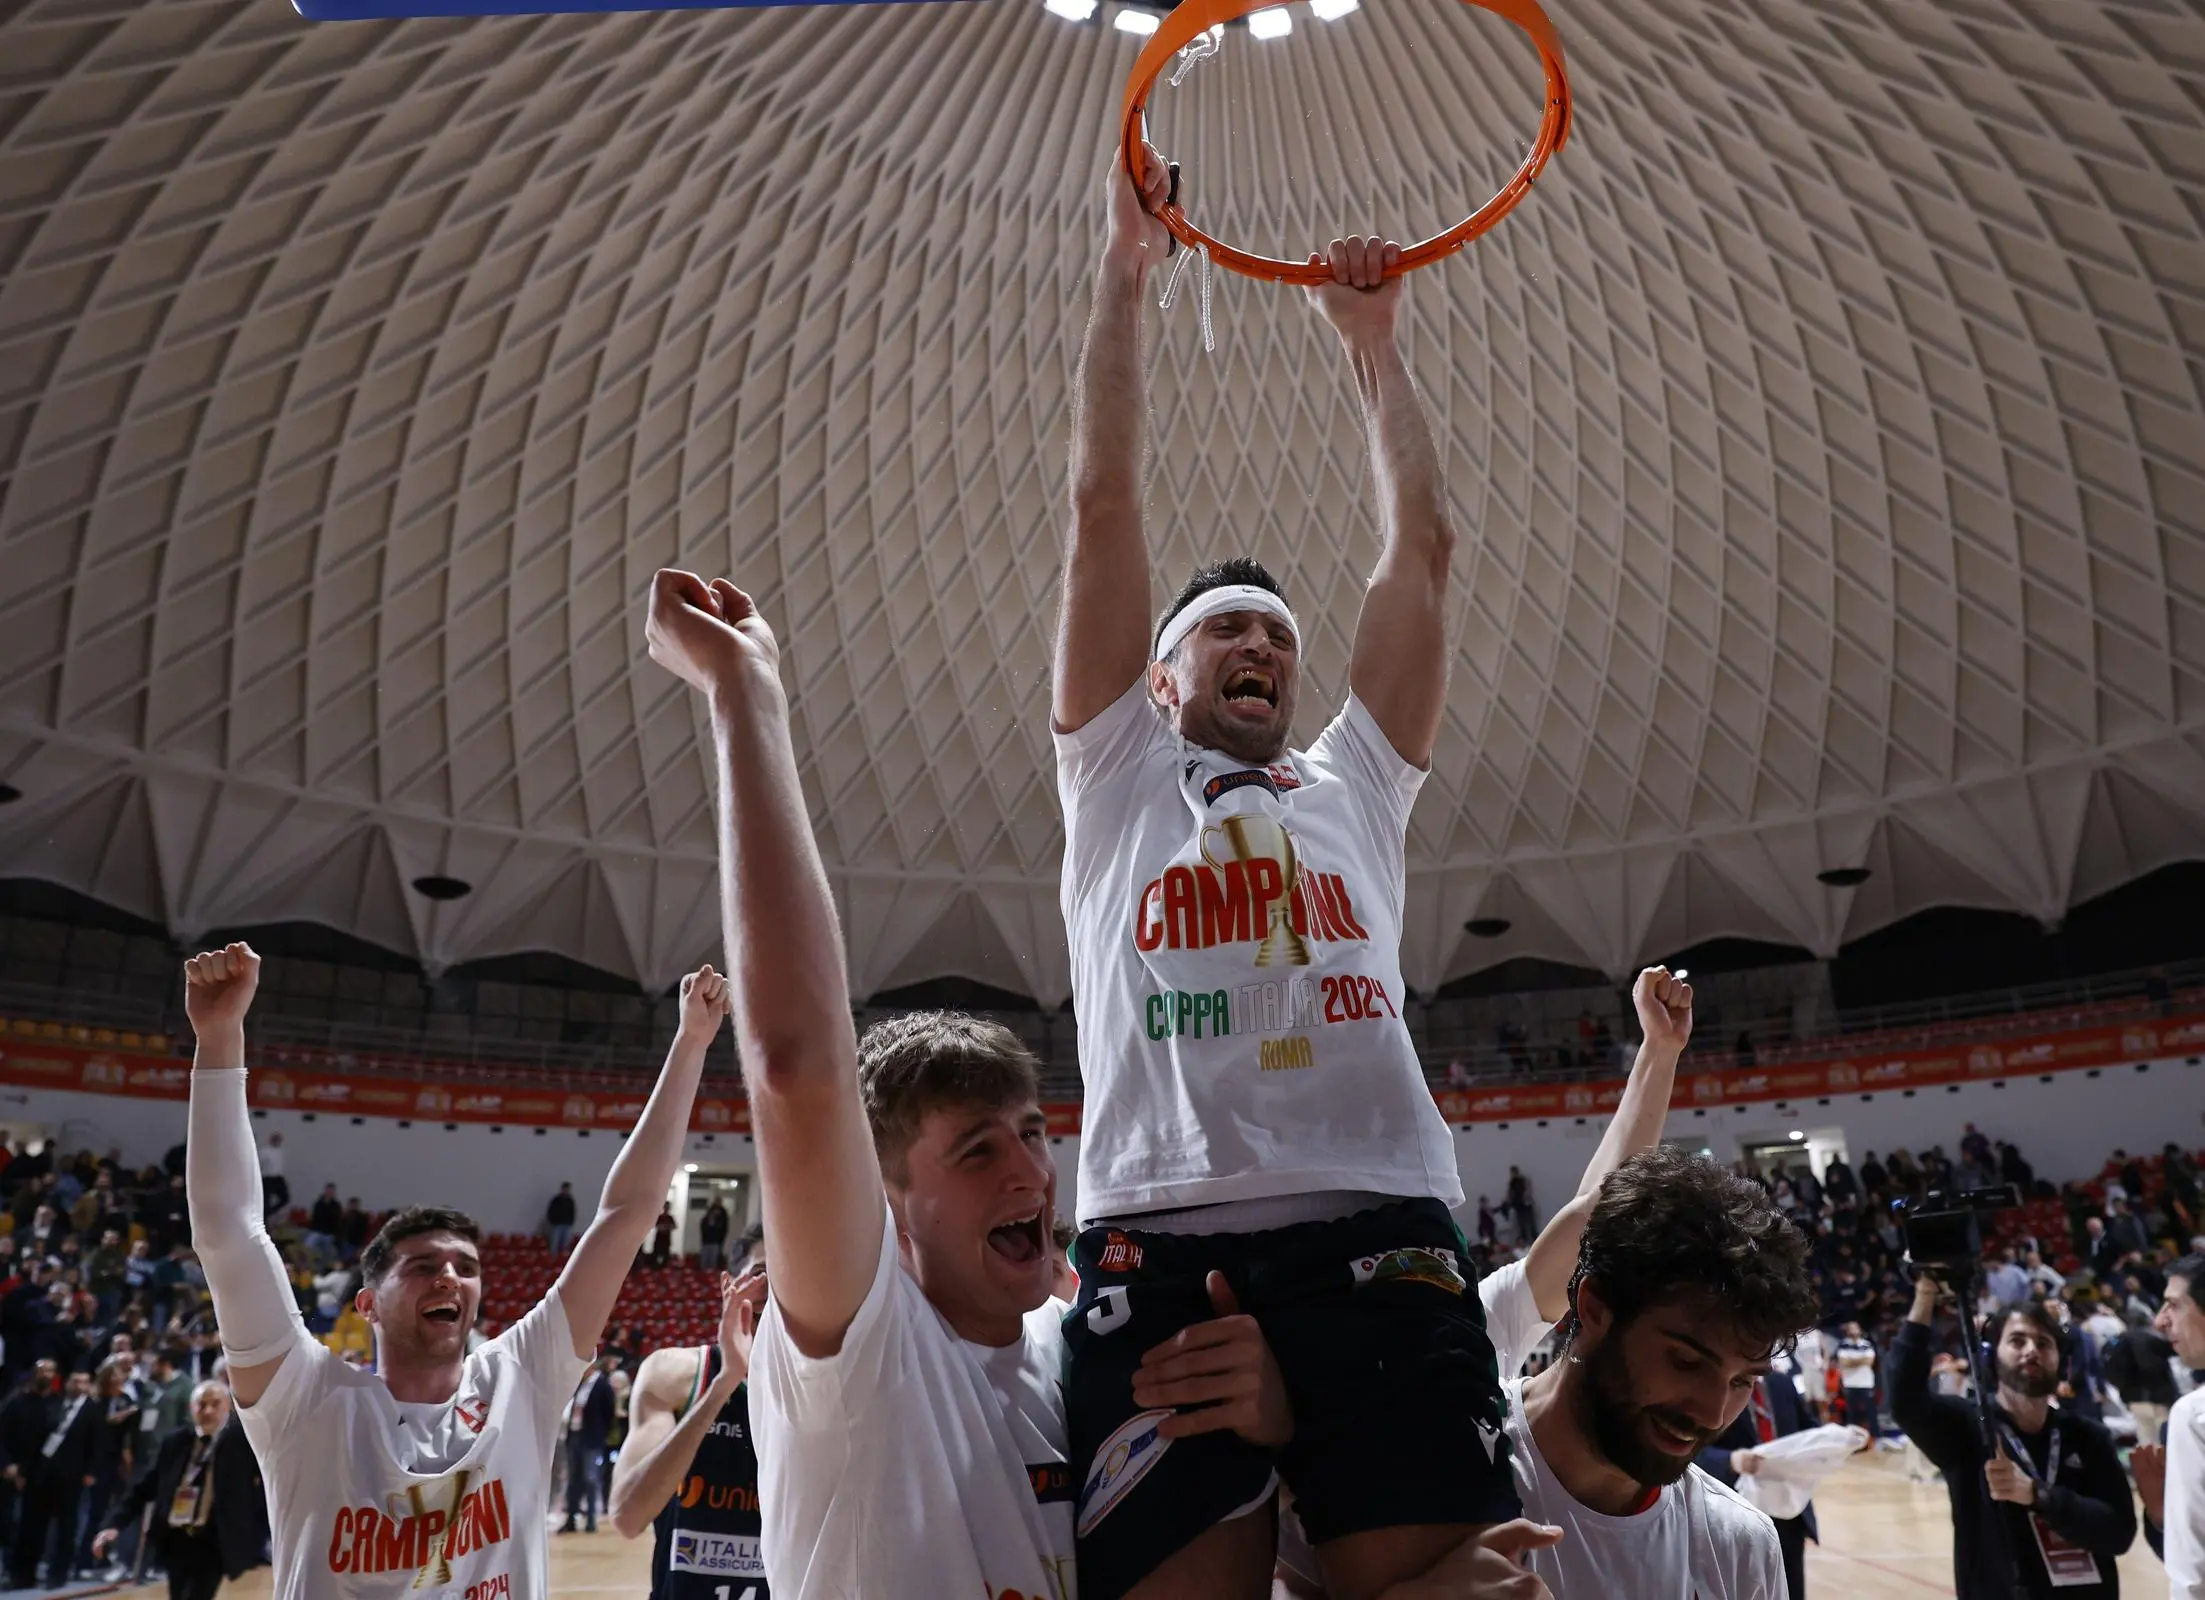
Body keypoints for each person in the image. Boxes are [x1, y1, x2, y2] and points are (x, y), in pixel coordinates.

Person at [644, 568, 1435, 1600]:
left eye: (1028, 1132)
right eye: (977, 1149)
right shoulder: (859, 1347)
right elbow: (796, 1069)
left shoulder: (1084, 1350)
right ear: (886, 1200)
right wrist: (746, 700)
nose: (1029, 1168)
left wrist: (1277, 1416)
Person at [1049, 141, 1522, 1598]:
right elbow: (1104, 510)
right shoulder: (1115, 770)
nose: (1261, 646)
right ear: (1161, 678)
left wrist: (1374, 348)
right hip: (1160, 1240)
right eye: (1228, 632)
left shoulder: (1352, 784)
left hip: (1382, 1227)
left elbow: (1423, 553)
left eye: (1277, 637)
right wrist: (1128, 273)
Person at [180, 938, 729, 1597]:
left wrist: (691, 1044)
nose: (449, 1276)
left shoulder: (520, 1378)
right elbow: (227, 1233)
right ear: (367, 1303)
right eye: (421, 1266)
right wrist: (219, 1038)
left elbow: (627, 1213)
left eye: (465, 1267)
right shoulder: (305, 1401)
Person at [1490, 1148, 1817, 1598]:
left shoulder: (1741, 1547)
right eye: (1686, 1362)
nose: (1713, 1413)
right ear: (1593, 1308)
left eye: (1743, 1380)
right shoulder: (1444, 1460)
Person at [1891, 1281, 2135, 1598]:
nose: (2031, 1350)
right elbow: (1903, 1398)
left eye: (2044, 1343)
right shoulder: (1965, 1428)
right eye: (2017, 1341)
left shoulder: (2088, 1437)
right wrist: (1925, 1295)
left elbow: (2119, 1534)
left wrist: (2038, 1495)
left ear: (2060, 1360)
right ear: (1993, 1356)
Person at [610, 1259, 772, 1598]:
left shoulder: (823, 1392)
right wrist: (724, 1384)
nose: (769, 1283)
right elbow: (628, 1517)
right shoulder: (674, 1376)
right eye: (759, 1271)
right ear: (728, 1286)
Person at [90, 1379, 268, 1600]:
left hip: (213, 1540)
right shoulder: (176, 1441)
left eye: (215, 1404)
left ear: (229, 1407)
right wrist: (114, 1525)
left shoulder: (243, 1442)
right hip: (176, 1538)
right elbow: (145, 1487)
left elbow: (266, 1490)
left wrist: (258, 1533)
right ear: (191, 1408)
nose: (208, 1411)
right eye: (201, 1404)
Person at [1697, 1342, 1825, 1600]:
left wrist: (1836, 1439)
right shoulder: (1712, 1386)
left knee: (1791, 1590)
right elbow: (1693, 1451)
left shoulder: (1782, 1384)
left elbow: (1808, 1430)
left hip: (1788, 1508)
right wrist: (1732, 1460)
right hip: (1735, 1508)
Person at [2131, 1252, 2204, 1591]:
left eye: (2174, 1305)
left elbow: (2194, 1574)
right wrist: (2166, 1516)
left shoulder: (2193, 1415)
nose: (2161, 1321)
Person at [17, 1367, 98, 1587]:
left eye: (84, 1382)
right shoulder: (54, 1404)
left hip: (71, 1476)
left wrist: (90, 1472)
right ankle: (26, 1574)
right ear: (67, 1383)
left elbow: (96, 1444)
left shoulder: (92, 1410)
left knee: (66, 1527)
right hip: (43, 1473)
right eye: (76, 1381)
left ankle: (58, 1573)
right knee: (35, 1524)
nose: (80, 1386)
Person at [561, 1354, 619, 1535]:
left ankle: (591, 1519)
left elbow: (609, 1412)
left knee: (591, 1479)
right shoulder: (579, 1385)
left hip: (592, 1439)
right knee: (573, 1480)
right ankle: (571, 1518)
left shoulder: (603, 1385)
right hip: (575, 1436)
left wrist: (601, 1434)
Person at [1834, 1321, 1879, 1432]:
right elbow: (1843, 1362)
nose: (1853, 1330)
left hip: (1866, 1382)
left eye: (1855, 1328)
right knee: (1852, 1413)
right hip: (1850, 1382)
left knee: (1871, 1411)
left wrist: (1852, 1361)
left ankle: (1876, 1435)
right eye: (1851, 1328)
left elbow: (1869, 1362)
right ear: (1847, 1331)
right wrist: (1861, 1360)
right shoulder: (1843, 1344)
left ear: (1859, 1330)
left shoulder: (1866, 1344)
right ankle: (1852, 1436)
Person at [698, 1196, 732, 1274]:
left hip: (716, 1241)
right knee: (704, 1261)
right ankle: (703, 1275)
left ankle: (711, 1274)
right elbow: (702, 1228)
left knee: (713, 1261)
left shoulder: (722, 1214)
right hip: (706, 1242)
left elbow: (724, 1227)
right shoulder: (706, 1219)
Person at [546, 1183, 579, 1258]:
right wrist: (553, 1221)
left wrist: (571, 1222)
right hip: (557, 1224)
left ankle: (562, 1259)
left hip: (567, 1225)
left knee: (565, 1244)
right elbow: (550, 1211)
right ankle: (552, 1259)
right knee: (554, 1244)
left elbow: (572, 1212)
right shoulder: (556, 1200)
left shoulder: (570, 1200)